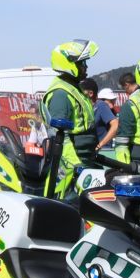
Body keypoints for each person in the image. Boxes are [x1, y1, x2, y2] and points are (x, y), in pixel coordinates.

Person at [38, 40, 101, 198]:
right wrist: (76, 166)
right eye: (82, 63)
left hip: (86, 159)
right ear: (69, 63)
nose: (85, 67)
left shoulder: (74, 88)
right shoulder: (61, 94)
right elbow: (59, 137)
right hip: (72, 168)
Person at [82, 77, 118, 151]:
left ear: (90, 93)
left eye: (81, 91)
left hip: (103, 151)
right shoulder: (84, 108)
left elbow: (115, 125)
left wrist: (99, 145)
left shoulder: (100, 105)